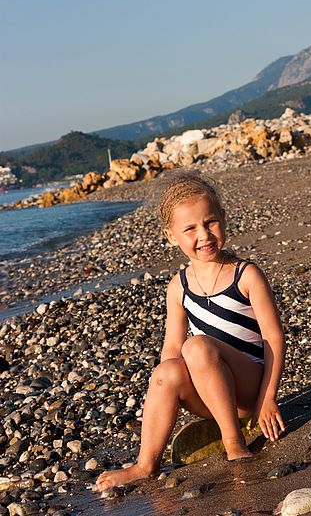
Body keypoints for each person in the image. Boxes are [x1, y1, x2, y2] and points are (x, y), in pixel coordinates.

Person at [96, 171, 286, 491]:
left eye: (210, 222)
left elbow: (274, 338)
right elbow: (171, 348)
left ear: (223, 219)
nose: (204, 235)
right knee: (167, 368)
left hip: (251, 388)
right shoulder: (178, 287)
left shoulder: (245, 275)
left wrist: (268, 397)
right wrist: (166, 380)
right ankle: (145, 464)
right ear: (171, 236)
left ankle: (233, 442)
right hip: (212, 396)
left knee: (196, 346)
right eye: (190, 229)